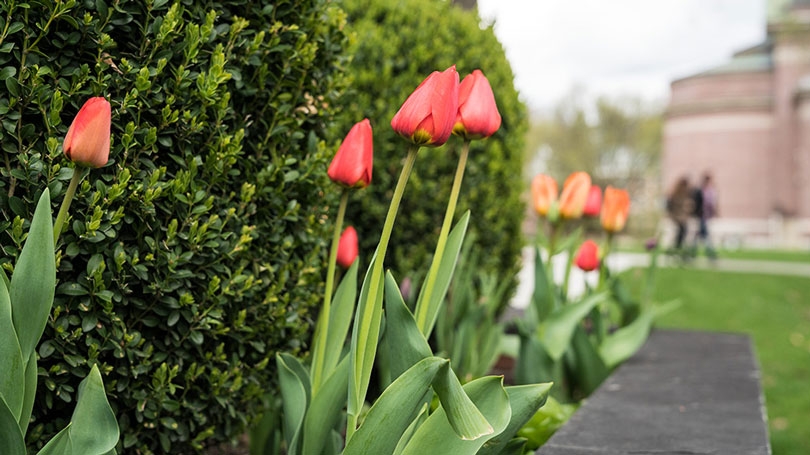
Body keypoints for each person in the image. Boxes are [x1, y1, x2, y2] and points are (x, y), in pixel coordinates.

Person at [666, 176, 694, 256]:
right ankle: (675, 249)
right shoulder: (676, 194)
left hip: (682, 217)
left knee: (682, 232)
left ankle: (676, 248)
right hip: (677, 217)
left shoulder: (687, 193)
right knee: (681, 231)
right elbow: (672, 206)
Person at [692, 172, 718, 259]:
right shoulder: (700, 190)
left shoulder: (711, 190)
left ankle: (691, 253)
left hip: (706, 216)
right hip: (701, 216)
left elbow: (712, 203)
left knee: (699, 235)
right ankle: (711, 254)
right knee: (705, 235)